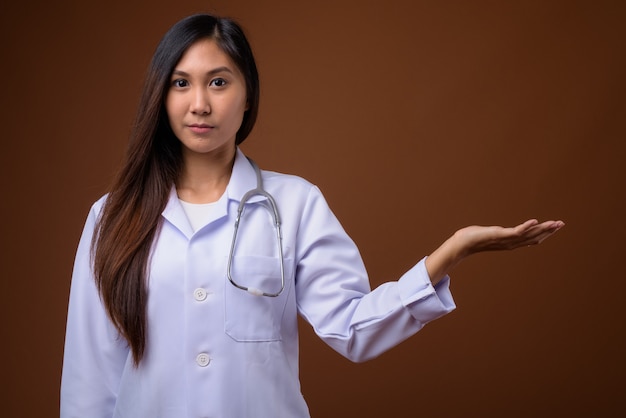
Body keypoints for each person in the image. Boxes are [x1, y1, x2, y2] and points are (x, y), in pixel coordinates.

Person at [60, 13, 564, 418]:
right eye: (180, 83)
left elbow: (353, 328)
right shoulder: (112, 218)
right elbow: (90, 378)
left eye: (218, 82)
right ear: (161, 96)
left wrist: (452, 252)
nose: (199, 104)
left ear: (248, 95)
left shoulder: (296, 203)